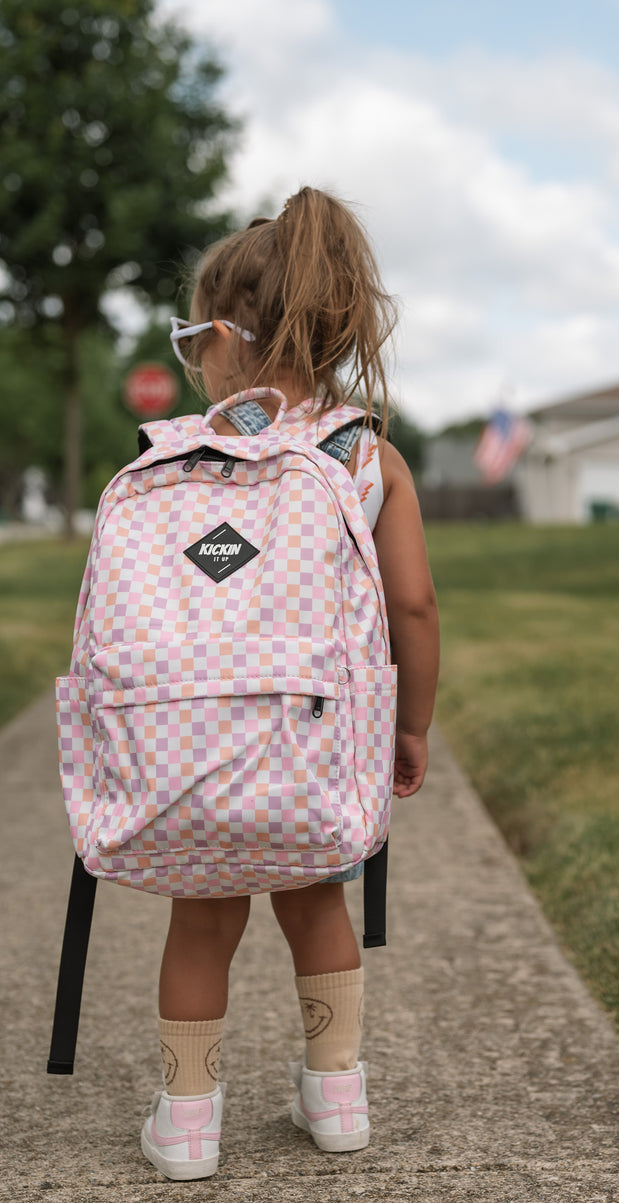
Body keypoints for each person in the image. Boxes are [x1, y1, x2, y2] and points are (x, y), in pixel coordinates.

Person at [140, 187, 439, 1180]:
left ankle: (187, 1124)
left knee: (202, 919)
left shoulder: (175, 458)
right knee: (317, 906)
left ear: (225, 336)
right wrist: (411, 726)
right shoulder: (364, 456)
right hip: (312, 745)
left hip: (192, 752)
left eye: (193, 337)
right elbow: (414, 610)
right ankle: (336, 1098)